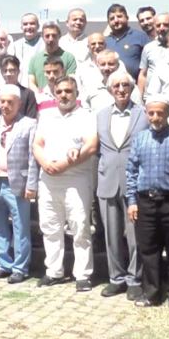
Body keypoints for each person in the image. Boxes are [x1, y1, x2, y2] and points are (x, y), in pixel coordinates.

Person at [126, 96, 169, 309]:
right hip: (145, 202)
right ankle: (151, 293)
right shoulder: (140, 138)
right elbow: (131, 171)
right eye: (151, 113)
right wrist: (132, 200)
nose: (155, 117)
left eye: (160, 113)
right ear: (146, 114)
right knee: (148, 250)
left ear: (168, 114)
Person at [32, 76, 98, 292]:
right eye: (59, 91)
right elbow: (37, 144)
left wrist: (63, 165)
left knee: (80, 227)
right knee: (50, 227)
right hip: (48, 180)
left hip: (76, 180)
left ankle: (83, 275)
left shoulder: (86, 115)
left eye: (68, 91)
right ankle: (54, 271)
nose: (63, 95)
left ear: (76, 93)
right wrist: (45, 163)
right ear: (54, 94)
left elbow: (91, 146)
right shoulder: (46, 115)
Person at [0, 84, 39, 284]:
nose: (5, 106)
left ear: (19, 103)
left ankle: (20, 268)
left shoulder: (29, 124)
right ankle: (3, 264)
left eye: (10, 102)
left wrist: (31, 185)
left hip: (18, 183)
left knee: (21, 227)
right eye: (2, 102)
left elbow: (33, 158)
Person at [96, 71, 149, 298]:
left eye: (125, 85)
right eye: (116, 86)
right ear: (110, 90)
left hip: (135, 182)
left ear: (132, 88)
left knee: (135, 235)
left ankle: (135, 279)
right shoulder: (100, 115)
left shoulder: (143, 114)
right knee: (111, 235)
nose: (120, 89)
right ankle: (116, 278)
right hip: (107, 180)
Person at [27, 22, 77, 93]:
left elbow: (71, 81)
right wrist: (39, 95)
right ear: (42, 37)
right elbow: (31, 82)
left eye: (54, 36)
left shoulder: (69, 58)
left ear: (59, 36)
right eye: (47, 36)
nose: (51, 39)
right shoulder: (34, 59)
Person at [105, 3, 151, 80]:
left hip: (136, 85)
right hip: (111, 85)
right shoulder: (106, 41)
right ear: (108, 22)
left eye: (119, 16)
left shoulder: (141, 37)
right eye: (112, 18)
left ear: (127, 18)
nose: (116, 20)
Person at [137, 12, 169, 93]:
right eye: (158, 25)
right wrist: (140, 96)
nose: (162, 28)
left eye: (165, 25)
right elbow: (143, 75)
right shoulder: (148, 48)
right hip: (151, 96)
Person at [6, 13, 44, 88]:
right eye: (25, 24)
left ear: (38, 26)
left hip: (41, 88)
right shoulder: (15, 46)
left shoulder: (46, 44)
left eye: (32, 24)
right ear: (21, 27)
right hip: (22, 88)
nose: (28, 27)